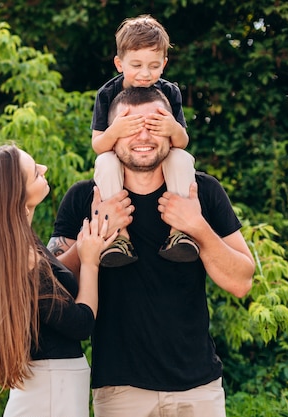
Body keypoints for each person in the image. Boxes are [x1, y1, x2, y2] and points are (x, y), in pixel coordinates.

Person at [48, 87, 255, 417]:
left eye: (155, 125)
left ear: (172, 133)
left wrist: (197, 227)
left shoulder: (203, 192)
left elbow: (242, 282)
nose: (142, 136)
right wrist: (99, 232)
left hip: (198, 388)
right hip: (120, 390)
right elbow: (52, 291)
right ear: (110, 137)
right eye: (129, 126)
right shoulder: (83, 198)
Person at [0, 144, 121, 416]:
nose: (43, 169)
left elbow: (54, 280)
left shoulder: (15, 250)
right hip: (52, 392)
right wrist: (90, 262)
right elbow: (80, 324)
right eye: (34, 173)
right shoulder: (23, 258)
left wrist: (86, 241)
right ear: (14, 198)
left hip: (50, 389)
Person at [91, 14, 198, 267]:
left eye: (153, 65)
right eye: (136, 65)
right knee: (105, 162)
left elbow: (181, 141)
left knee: (181, 158)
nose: (145, 73)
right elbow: (98, 145)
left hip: (158, 158)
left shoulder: (169, 92)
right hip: (122, 157)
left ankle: (179, 231)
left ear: (164, 64)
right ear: (119, 63)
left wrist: (173, 127)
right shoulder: (107, 93)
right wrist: (116, 131)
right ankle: (120, 237)